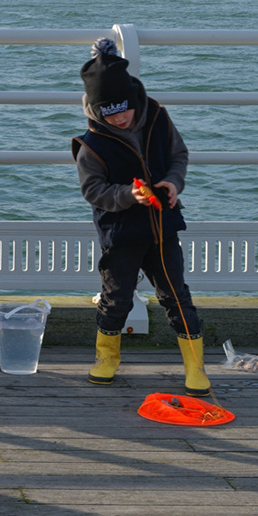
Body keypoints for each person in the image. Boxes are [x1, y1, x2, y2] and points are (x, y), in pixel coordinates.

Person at [70, 38, 210, 393]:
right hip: (120, 234)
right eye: (109, 113)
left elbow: (179, 155)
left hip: (164, 228)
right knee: (116, 298)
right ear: (96, 111)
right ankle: (106, 358)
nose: (120, 118)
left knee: (176, 295)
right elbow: (93, 191)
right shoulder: (90, 145)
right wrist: (126, 195)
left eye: (125, 109)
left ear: (134, 99)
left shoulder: (158, 117)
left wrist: (174, 182)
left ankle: (195, 367)